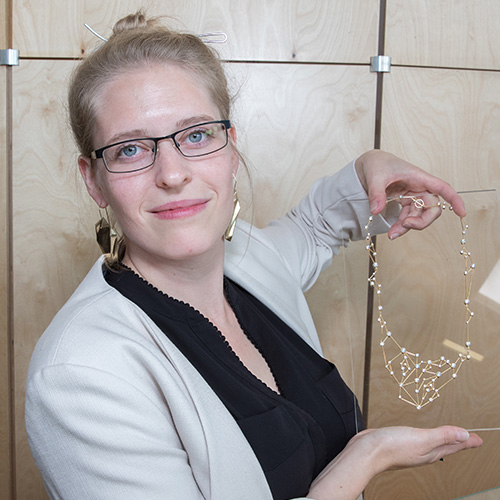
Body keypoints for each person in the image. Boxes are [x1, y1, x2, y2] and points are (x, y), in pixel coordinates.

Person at [25, 11, 482, 500]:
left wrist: (371, 166)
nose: (172, 174)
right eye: (131, 149)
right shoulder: (79, 374)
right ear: (93, 180)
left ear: (231, 149)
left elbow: (316, 225)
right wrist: (367, 456)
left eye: (196, 135)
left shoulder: (250, 261)